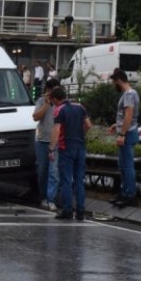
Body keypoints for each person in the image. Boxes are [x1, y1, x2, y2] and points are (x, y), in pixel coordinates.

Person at [49, 87, 92, 220]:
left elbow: (56, 130)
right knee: (79, 180)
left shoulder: (59, 110)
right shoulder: (80, 107)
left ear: (56, 99)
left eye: (52, 100)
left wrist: (51, 149)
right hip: (80, 147)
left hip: (66, 148)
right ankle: (80, 211)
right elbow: (88, 125)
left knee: (66, 180)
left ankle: (67, 210)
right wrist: (80, 135)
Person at [107, 69, 140, 208]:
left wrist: (122, 134)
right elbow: (126, 116)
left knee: (127, 166)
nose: (114, 84)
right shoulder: (132, 93)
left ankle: (129, 195)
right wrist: (117, 125)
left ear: (119, 80)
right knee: (124, 166)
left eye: (114, 81)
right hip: (128, 131)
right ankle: (124, 193)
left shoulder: (128, 95)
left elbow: (129, 115)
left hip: (127, 134)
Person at [32, 79, 60, 211]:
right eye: (52, 90)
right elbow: (35, 117)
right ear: (48, 90)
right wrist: (47, 104)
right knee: (42, 170)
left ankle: (51, 199)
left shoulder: (61, 103)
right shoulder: (41, 101)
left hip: (56, 142)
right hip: (42, 141)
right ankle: (43, 197)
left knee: (54, 172)